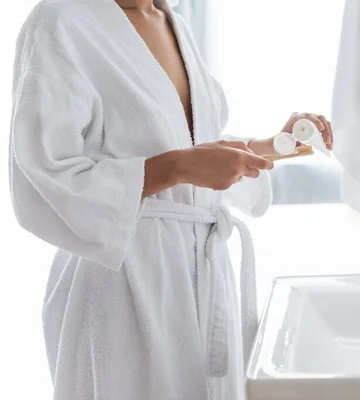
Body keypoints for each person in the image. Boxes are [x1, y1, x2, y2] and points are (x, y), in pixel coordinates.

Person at [9, 0, 334, 399]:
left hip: (200, 271)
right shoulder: (60, 21)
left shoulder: (172, 21)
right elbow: (45, 171)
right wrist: (177, 167)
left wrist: (274, 145)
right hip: (122, 281)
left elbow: (185, 143)